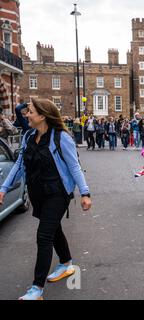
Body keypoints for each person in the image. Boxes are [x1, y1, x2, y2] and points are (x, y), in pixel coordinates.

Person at [0, 98, 91, 300]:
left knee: (44, 236)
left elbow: (74, 166)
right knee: (53, 228)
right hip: (37, 192)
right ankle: (66, 262)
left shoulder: (61, 137)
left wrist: (85, 193)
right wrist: (4, 188)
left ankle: (36, 289)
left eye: (30, 111)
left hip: (57, 193)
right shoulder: (29, 136)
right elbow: (19, 165)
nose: (26, 115)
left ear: (42, 115)